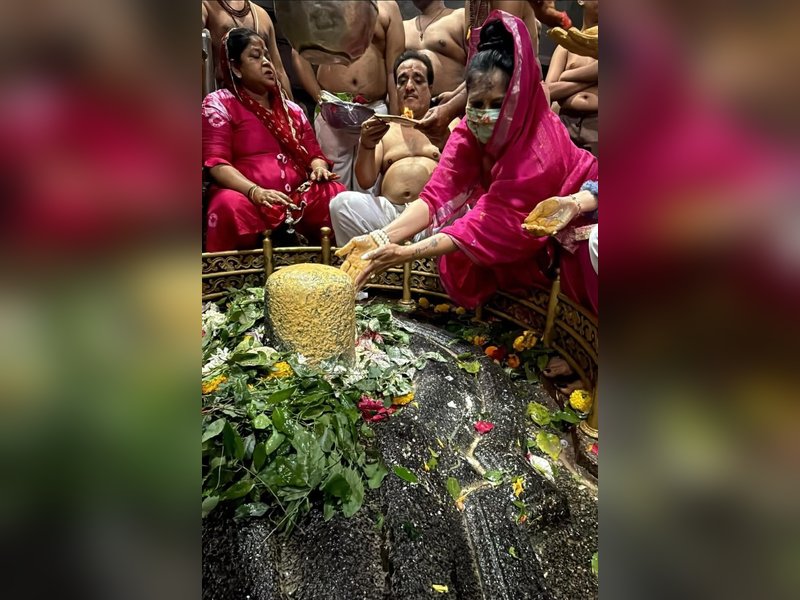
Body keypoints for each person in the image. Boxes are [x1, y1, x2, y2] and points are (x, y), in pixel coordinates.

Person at [336, 11, 597, 310]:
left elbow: (492, 223)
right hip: (515, 221)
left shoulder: (539, 151)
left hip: (580, 213)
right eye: (477, 104)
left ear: (519, 98)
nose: (484, 115)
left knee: (582, 260)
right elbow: (436, 195)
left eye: (498, 104)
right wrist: (381, 238)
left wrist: (406, 253)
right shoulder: (468, 128)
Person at [202, 28, 344, 252]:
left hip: (295, 199)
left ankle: (333, 272)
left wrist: (318, 168)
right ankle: (234, 281)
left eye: (267, 56)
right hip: (248, 197)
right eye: (256, 56)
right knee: (227, 205)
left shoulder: (292, 110)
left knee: (335, 193)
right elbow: (217, 164)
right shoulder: (219, 103)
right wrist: (255, 192)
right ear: (237, 69)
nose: (267, 63)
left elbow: (315, 155)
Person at [329, 50, 454, 246]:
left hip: (435, 215)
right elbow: (365, 180)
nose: (409, 86)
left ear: (430, 88)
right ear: (395, 89)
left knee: (470, 212)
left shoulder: (450, 125)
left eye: (418, 80)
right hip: (391, 216)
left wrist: (444, 139)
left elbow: (466, 173)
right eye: (402, 81)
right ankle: (365, 267)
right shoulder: (386, 129)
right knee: (341, 204)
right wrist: (367, 144)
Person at [416, 1, 571, 142]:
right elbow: (482, 63)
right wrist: (455, 96)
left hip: (517, 109)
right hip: (483, 107)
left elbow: (500, 67)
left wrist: (449, 109)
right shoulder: (472, 3)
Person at [293, 0, 404, 192]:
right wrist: (318, 96)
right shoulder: (322, 4)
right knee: (332, 181)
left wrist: (395, 120)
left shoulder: (389, 7)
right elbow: (299, 51)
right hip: (332, 105)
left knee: (372, 184)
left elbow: (394, 70)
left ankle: (368, 222)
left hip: (374, 108)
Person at [202, 0, 292, 97]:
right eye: (255, 55)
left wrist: (290, 106)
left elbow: (279, 71)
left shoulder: (263, 16)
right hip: (226, 98)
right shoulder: (206, 5)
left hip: (266, 101)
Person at [545, 0, 598, 156]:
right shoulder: (565, 47)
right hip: (565, 128)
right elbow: (548, 90)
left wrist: (567, 76)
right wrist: (595, 75)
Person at [403, 0, 467, 100]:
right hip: (411, 107)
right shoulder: (403, 27)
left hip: (453, 103)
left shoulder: (460, 17)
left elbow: (477, 65)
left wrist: (455, 97)